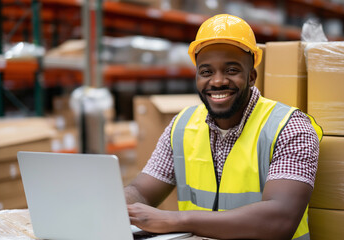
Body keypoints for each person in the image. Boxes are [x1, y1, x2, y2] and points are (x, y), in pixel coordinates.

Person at [124, 14, 322, 240]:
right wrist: (114, 206)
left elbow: (280, 218)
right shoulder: (181, 126)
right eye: (206, 72)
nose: (217, 81)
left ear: (251, 76)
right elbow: (141, 191)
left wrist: (175, 220)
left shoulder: (290, 128)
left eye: (231, 70)